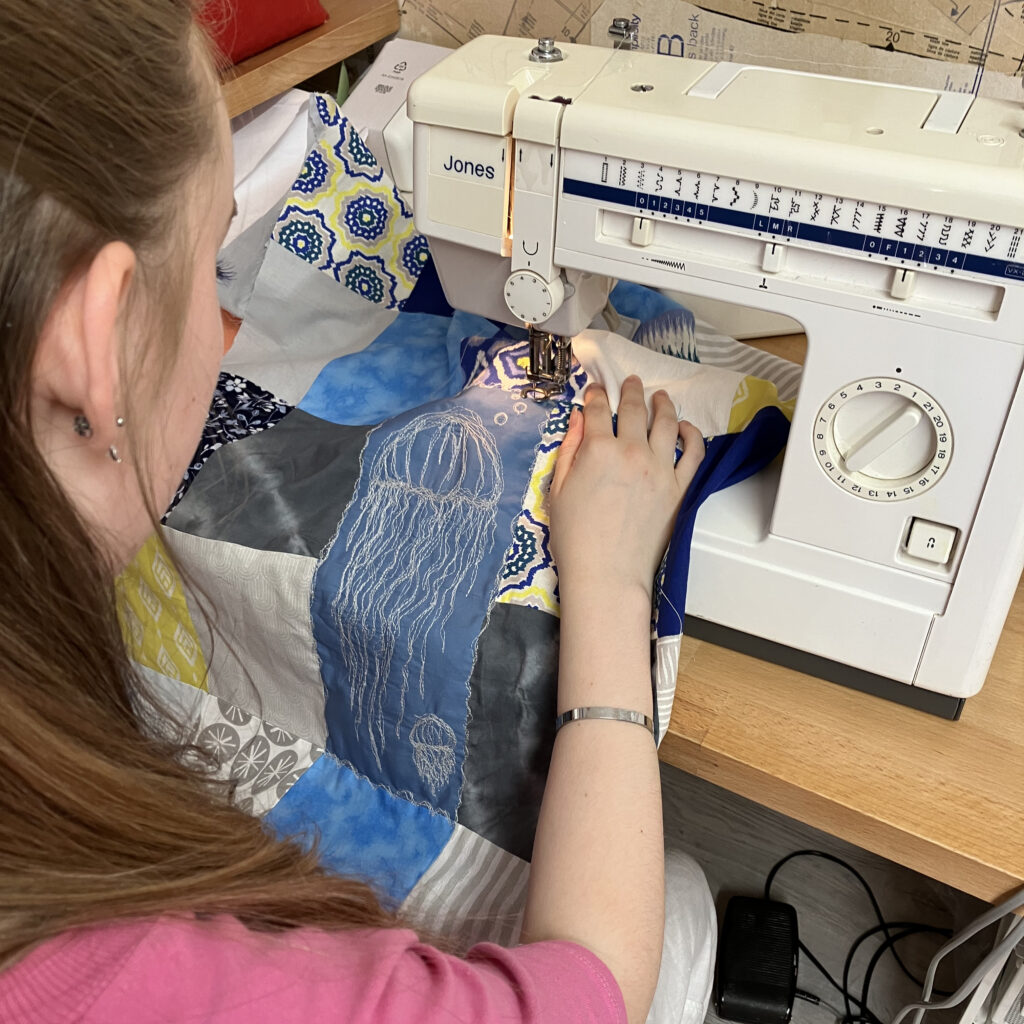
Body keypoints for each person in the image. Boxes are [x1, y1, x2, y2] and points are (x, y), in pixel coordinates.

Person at [0, 1, 708, 1021]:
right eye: (211, 261)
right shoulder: (126, 979)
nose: (226, 315)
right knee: (677, 910)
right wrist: (609, 583)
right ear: (92, 347)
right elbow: (582, 993)